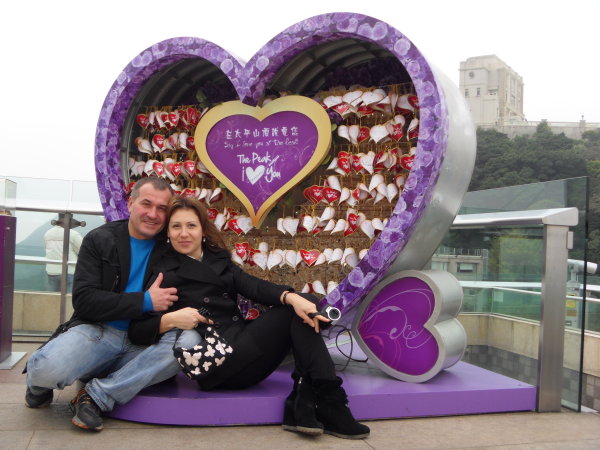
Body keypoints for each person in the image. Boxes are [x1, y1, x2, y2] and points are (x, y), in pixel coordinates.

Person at [128, 196, 370, 440]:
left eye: (191, 225)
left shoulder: (218, 259)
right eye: (176, 226)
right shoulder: (165, 272)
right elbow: (138, 330)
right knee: (296, 308)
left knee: (305, 302)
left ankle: (305, 397)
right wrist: (170, 320)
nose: (183, 233)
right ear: (167, 232)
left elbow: (252, 286)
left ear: (202, 230)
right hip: (217, 363)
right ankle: (326, 402)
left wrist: (290, 297)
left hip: (242, 347)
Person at [24, 177, 201, 432]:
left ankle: (96, 396)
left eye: (162, 208)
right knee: (46, 370)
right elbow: (84, 300)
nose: (153, 214)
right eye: (146, 204)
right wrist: (145, 301)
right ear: (130, 203)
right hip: (97, 332)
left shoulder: (171, 245)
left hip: (143, 340)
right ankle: (38, 385)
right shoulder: (100, 239)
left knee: (189, 343)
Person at [43, 214, 83, 293]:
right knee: (69, 298)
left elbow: (47, 249)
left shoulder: (47, 234)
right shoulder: (73, 234)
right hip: (69, 271)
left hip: (52, 271)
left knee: (53, 298)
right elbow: (83, 250)